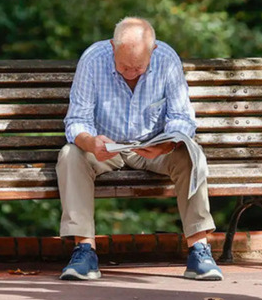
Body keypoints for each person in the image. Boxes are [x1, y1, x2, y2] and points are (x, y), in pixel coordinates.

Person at [56, 17, 223, 282]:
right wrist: (91, 143)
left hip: (155, 147)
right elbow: (76, 121)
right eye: (123, 66)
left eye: (138, 67)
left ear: (153, 51)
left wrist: (166, 143)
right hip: (106, 149)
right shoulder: (92, 60)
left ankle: (199, 249)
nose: (130, 73)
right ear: (113, 47)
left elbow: (182, 118)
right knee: (70, 155)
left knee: (191, 154)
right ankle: (85, 251)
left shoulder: (167, 59)